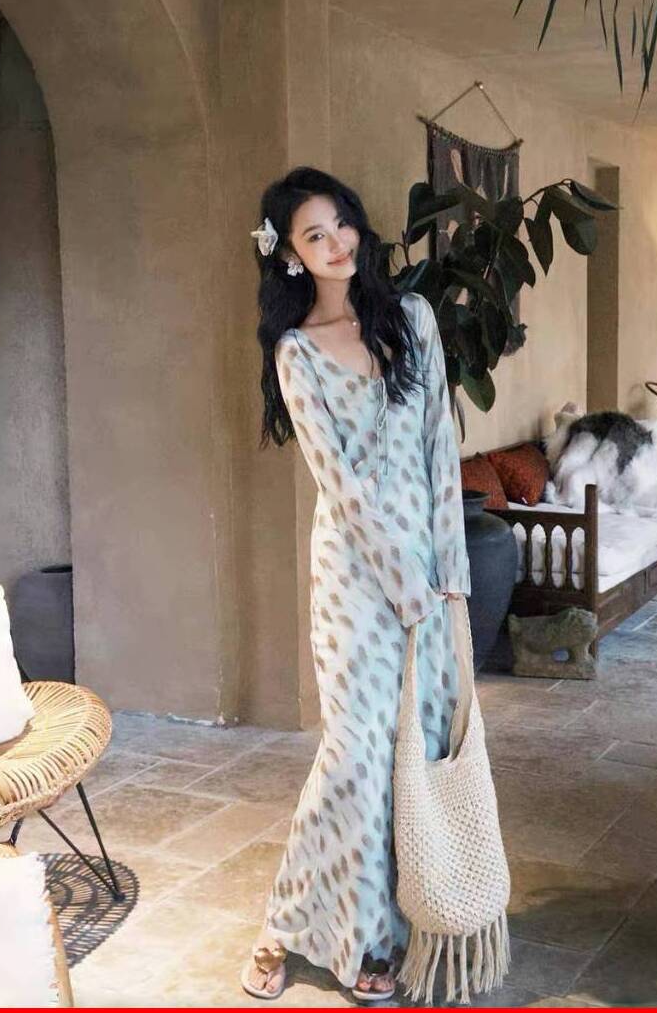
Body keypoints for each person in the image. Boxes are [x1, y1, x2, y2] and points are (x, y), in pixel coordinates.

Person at [247, 167, 471, 1003]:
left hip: (429, 576)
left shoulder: (411, 319)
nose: (336, 242)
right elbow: (337, 484)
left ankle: (391, 925)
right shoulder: (296, 351)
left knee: (415, 749)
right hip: (354, 580)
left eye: (340, 223)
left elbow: (440, 449)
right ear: (291, 256)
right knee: (354, 756)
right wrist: (402, 582)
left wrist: (449, 577)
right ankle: (295, 927)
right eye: (314, 235)